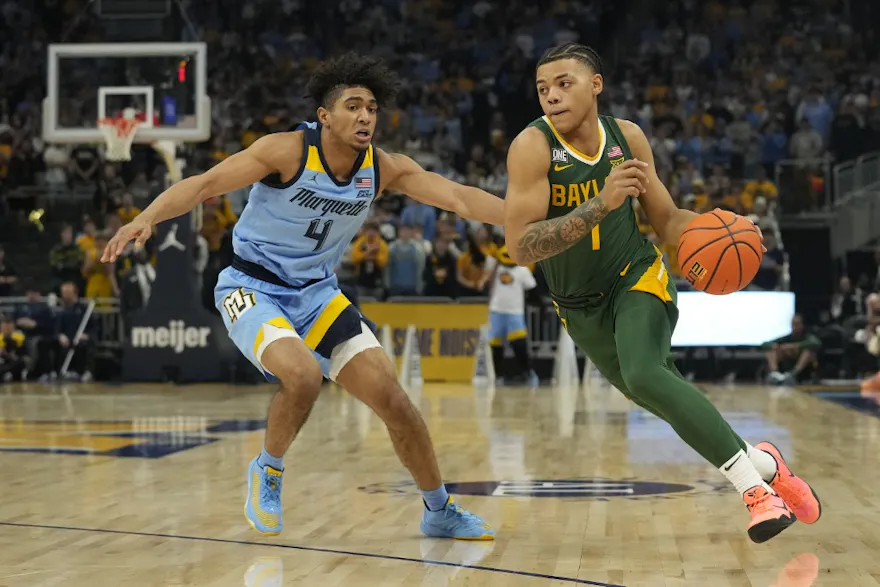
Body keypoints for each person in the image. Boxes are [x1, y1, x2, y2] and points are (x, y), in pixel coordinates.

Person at [102, 53, 503, 540]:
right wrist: (147, 217)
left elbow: (459, 197)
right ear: (325, 116)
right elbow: (205, 183)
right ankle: (268, 470)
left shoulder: (382, 167)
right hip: (251, 286)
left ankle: (438, 509)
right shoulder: (285, 151)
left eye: (372, 108)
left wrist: (522, 217)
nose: (365, 117)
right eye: (353, 106)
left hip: (317, 294)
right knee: (303, 375)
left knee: (395, 401)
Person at [503, 43, 820, 543]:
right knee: (652, 392)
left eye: (565, 84)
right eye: (543, 89)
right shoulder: (533, 147)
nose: (552, 97)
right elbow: (521, 247)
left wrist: (723, 227)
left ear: (596, 85)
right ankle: (765, 462)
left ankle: (755, 494)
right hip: (578, 306)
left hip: (636, 276)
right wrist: (601, 205)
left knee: (647, 373)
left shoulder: (627, 138)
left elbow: (668, 220)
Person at [487, 246, 539, 386]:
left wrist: (541, 306)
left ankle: (528, 372)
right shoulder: (496, 268)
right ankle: (498, 376)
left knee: (519, 344)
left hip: (515, 312)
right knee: (495, 346)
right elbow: (485, 280)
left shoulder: (523, 271)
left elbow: (533, 290)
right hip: (496, 311)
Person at [763, 315, 821, 386]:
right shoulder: (786, 338)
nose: (794, 326)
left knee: (809, 352)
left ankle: (793, 374)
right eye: (793, 324)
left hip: (802, 368)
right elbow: (765, 344)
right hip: (785, 365)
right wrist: (776, 346)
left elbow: (816, 343)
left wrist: (794, 346)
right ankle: (775, 375)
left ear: (802, 325)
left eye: (797, 324)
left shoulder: (807, 337)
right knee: (771, 351)